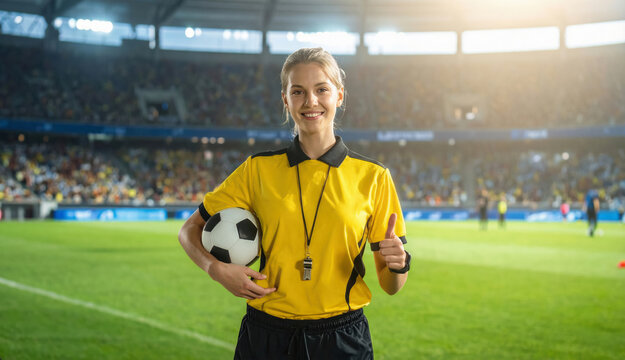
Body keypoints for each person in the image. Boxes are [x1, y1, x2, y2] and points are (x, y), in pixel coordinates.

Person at [178, 47, 410, 360]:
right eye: (298, 91)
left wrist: (399, 264)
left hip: (342, 338)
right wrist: (214, 269)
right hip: (266, 336)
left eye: (322, 90)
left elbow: (391, 285)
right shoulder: (257, 169)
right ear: (285, 100)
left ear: (339, 96)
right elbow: (189, 229)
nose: (310, 101)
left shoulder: (374, 177)